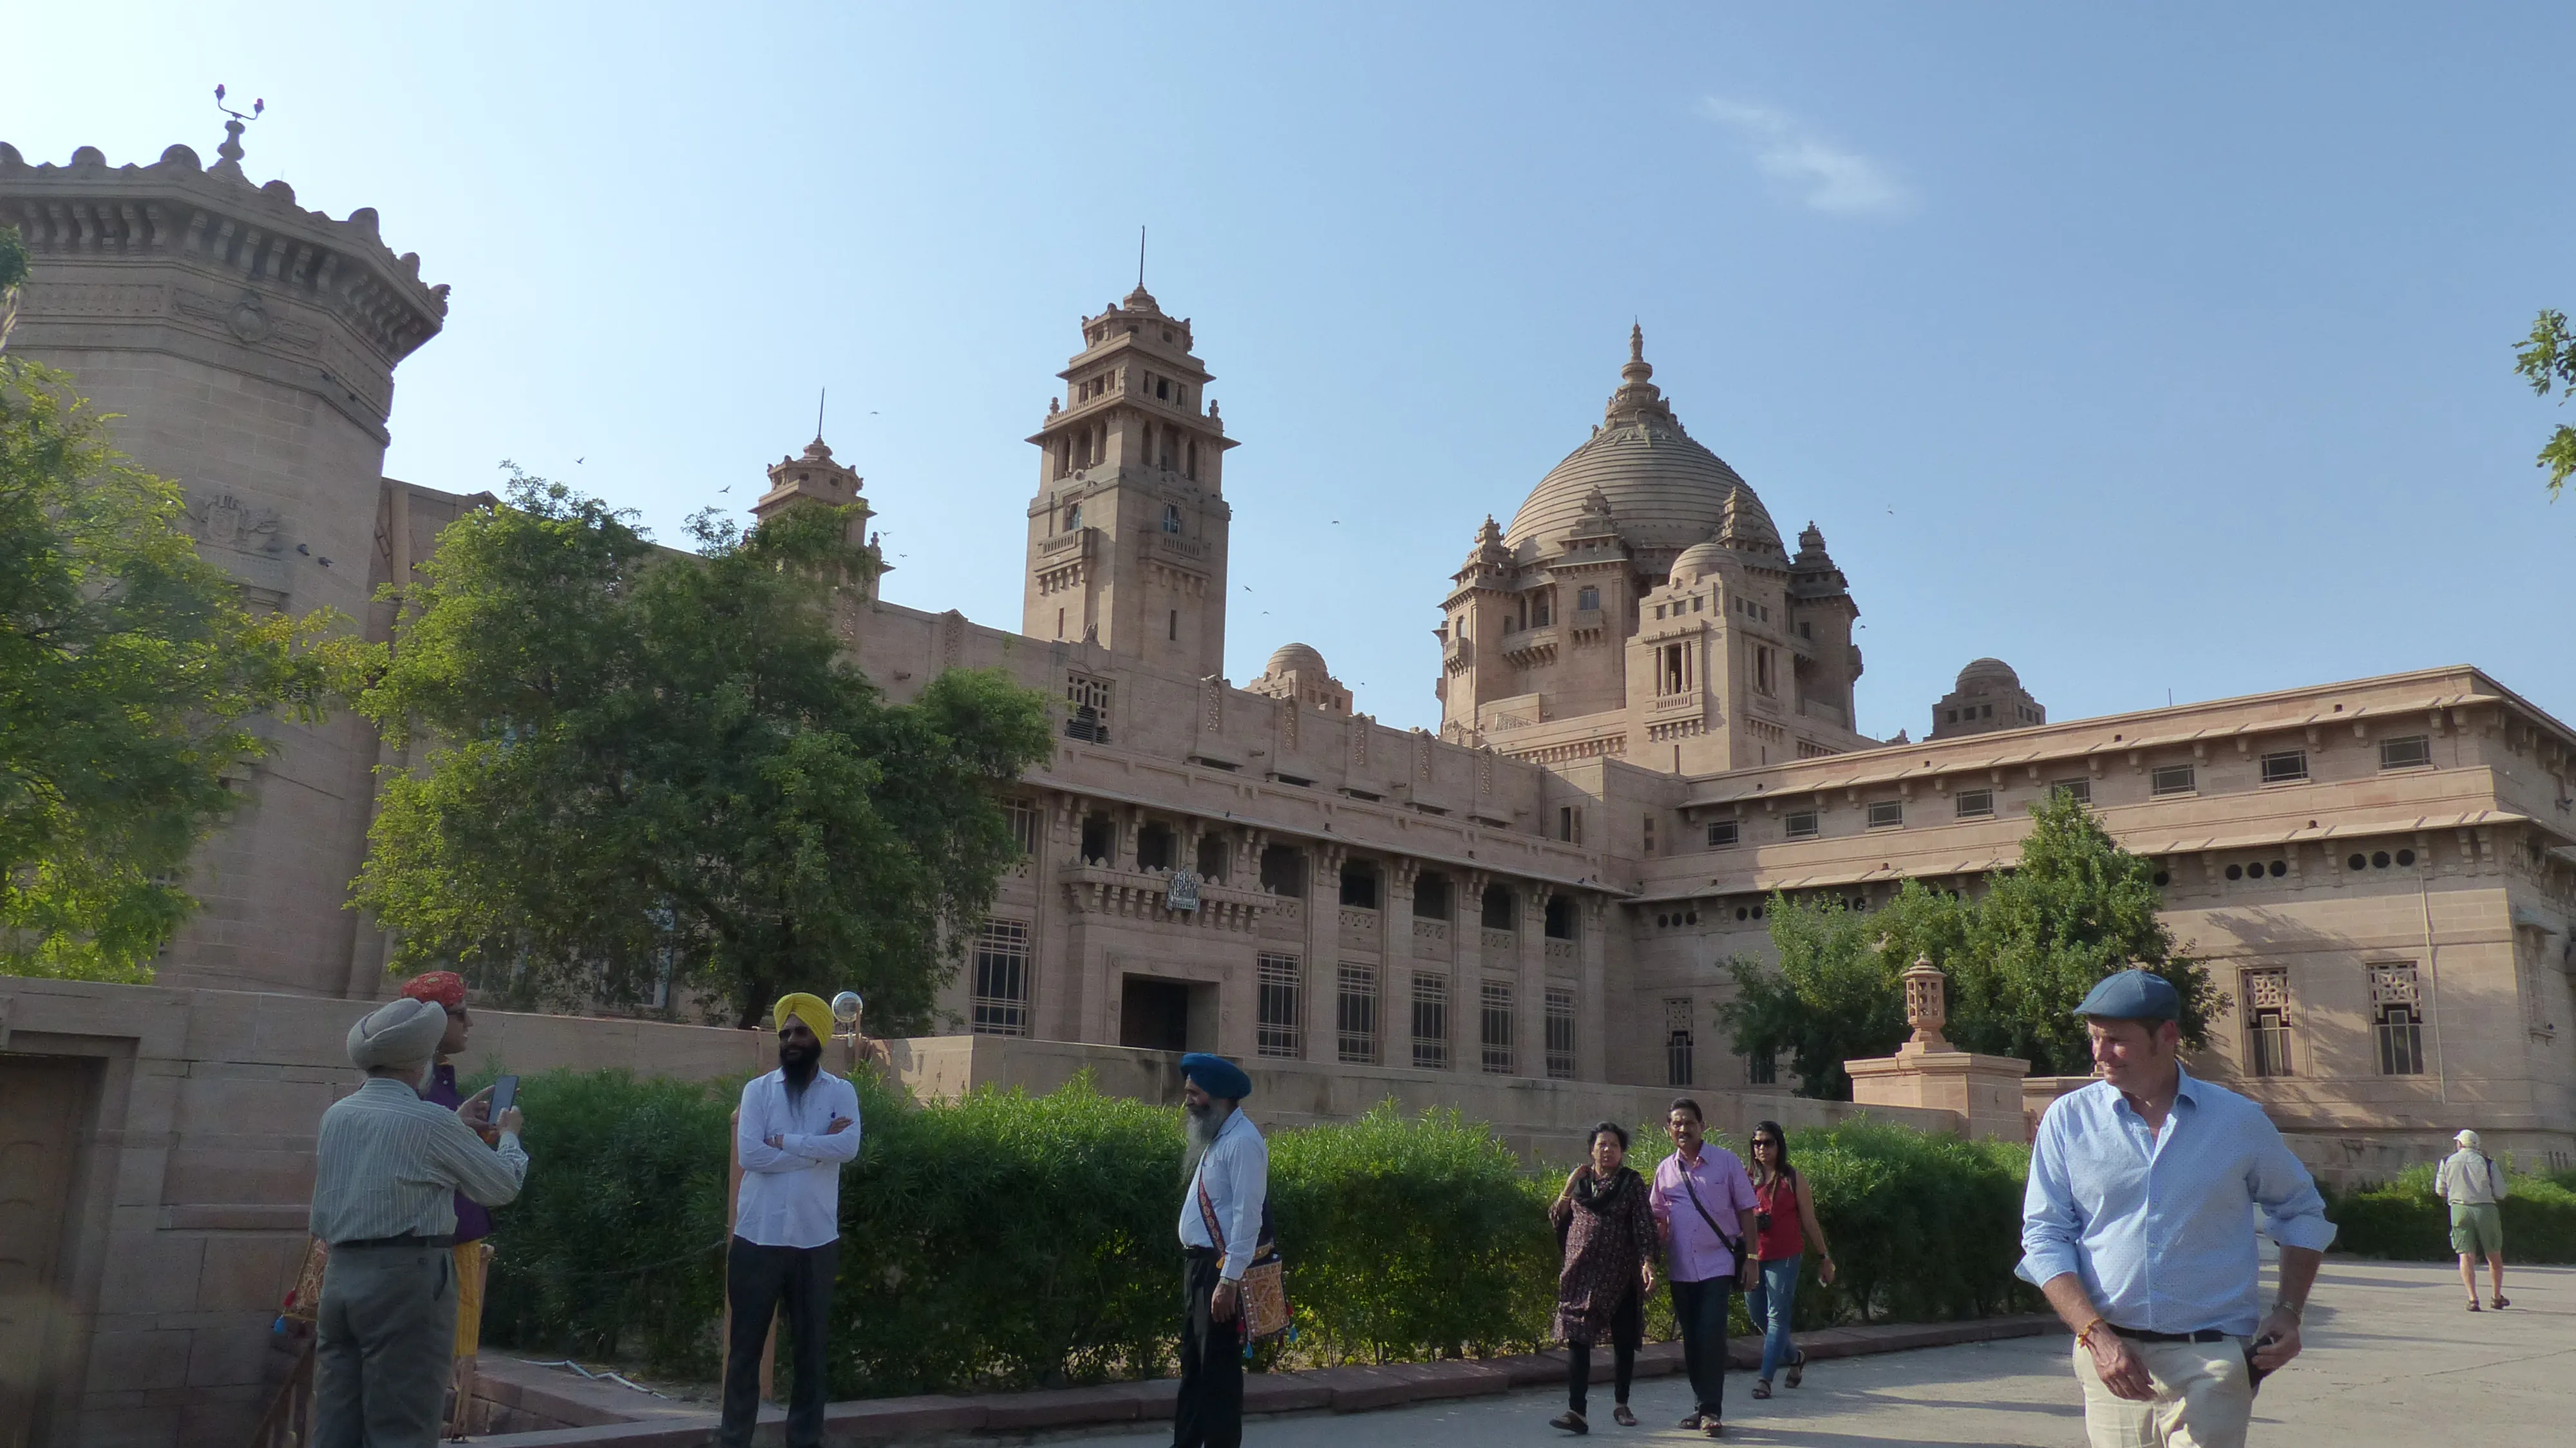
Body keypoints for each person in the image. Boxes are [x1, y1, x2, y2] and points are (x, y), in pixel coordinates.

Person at [2020, 970, 2337, 1448]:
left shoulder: (2236, 1121)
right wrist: (2098, 1340)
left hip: (2210, 1362)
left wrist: (2289, 1311)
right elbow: (2045, 1237)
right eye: (2095, 1039)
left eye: (2116, 1041)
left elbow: (2302, 1211)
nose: (2100, 1054)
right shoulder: (2069, 1121)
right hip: (2113, 1360)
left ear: (2167, 1035)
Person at [310, 996, 528, 1448]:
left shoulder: (339, 1114)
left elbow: (393, 1153)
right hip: (407, 1280)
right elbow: (500, 1187)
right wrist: (509, 1137)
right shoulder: (430, 1123)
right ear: (422, 1060)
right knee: (402, 1427)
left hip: (342, 1278)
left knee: (336, 1423)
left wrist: (453, 1122)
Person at [720, 993, 863, 1448]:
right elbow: (752, 1155)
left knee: (811, 1354)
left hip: (815, 1241)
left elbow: (849, 1148)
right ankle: (733, 1440)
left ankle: (804, 1441)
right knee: (743, 1353)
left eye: (801, 1032)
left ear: (820, 1036)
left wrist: (787, 1142)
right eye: (785, 1033)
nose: (792, 1040)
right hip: (757, 1239)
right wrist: (815, 1146)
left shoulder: (842, 1092)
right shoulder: (757, 1091)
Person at [397, 969, 498, 1437]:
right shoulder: (405, 1092)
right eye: (461, 1015)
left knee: (436, 1376)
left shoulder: (436, 1085)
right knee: (413, 1379)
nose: (469, 1025)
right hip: (425, 1252)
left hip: (454, 1242)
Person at [1174, 1052, 1268, 1448]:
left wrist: (1228, 1280)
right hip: (1199, 1271)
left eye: (1195, 1093)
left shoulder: (1243, 1142)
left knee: (1219, 1378)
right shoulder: (1219, 1138)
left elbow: (1249, 1218)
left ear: (1220, 1095)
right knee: (1195, 1373)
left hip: (1220, 1275)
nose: (1188, 1101)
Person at [1649, 1098, 1757, 1438]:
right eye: (1676, 1123)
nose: (1683, 1129)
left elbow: (1746, 1212)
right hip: (1681, 1269)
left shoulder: (1726, 1163)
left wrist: (1752, 1260)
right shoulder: (1665, 1170)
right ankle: (1701, 1406)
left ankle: (1712, 1410)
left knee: (1711, 1335)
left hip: (1718, 1266)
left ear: (1702, 1126)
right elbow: (1658, 1219)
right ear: (1669, 1129)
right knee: (1693, 1341)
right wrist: (1648, 1257)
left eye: (1689, 1123)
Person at [1548, 1121, 1656, 1435]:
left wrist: (1647, 1262)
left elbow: (1644, 1225)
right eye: (1601, 1144)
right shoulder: (1581, 1185)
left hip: (1619, 1275)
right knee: (1577, 1338)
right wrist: (1568, 1186)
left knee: (1623, 1341)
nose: (1607, 1150)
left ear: (1622, 1152)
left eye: (1613, 1145)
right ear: (1591, 1150)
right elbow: (1558, 1218)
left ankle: (1621, 1402)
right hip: (1580, 1275)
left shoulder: (1631, 1183)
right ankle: (1576, 1412)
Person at [1743, 1120, 1835, 1402]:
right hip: (1753, 1257)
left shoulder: (1792, 1178)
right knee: (1757, 1315)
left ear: (1779, 1145)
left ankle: (1765, 1379)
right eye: (1757, 1143)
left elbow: (1809, 1220)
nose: (1761, 1148)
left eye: (1768, 1142)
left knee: (1776, 1317)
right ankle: (1795, 1357)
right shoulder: (1747, 1178)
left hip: (1785, 1256)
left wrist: (1824, 1257)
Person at [2437, 1128, 2510, 1310]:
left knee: (2466, 1255)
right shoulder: (2487, 1163)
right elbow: (2501, 1192)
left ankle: (2472, 1298)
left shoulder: (2447, 1161)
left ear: (2459, 1144)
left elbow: (2440, 1190)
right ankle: (2496, 1296)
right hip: (2485, 1208)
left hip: (2459, 1208)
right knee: (2494, 1255)